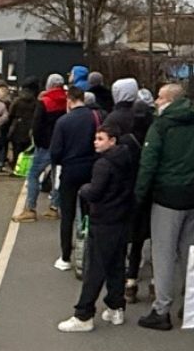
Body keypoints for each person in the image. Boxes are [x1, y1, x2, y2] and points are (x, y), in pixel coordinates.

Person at [134, 83, 194, 330]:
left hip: (166, 197)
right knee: (189, 253)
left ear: (170, 101)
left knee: (164, 255)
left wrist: (139, 196)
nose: (156, 101)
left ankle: (161, 309)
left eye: (160, 97)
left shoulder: (161, 126)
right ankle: (190, 304)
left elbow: (148, 163)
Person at [59, 120, 138, 331]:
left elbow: (95, 192)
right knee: (116, 265)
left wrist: (84, 189)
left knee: (95, 268)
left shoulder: (103, 164)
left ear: (112, 141)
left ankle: (83, 314)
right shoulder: (127, 159)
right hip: (121, 219)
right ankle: (115, 307)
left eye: (100, 139)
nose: (95, 142)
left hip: (103, 219)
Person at [105, 77, 153, 299]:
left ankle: (124, 278)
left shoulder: (113, 119)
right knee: (143, 234)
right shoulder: (148, 120)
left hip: (122, 185)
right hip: (147, 184)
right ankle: (141, 277)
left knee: (123, 232)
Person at [47, 80, 103, 270]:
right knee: (90, 211)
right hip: (92, 169)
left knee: (67, 214)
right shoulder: (96, 117)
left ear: (69, 100)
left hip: (70, 170)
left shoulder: (63, 121)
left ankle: (65, 257)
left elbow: (55, 152)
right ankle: (90, 251)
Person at [16, 74, 69, 223]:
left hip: (46, 145)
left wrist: (38, 143)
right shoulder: (67, 100)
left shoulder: (45, 101)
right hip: (63, 145)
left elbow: (37, 125)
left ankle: (30, 209)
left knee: (33, 175)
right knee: (57, 177)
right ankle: (54, 208)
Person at [7, 79, 39, 174]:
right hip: (29, 127)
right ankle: (25, 168)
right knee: (27, 149)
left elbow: (10, 114)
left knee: (16, 149)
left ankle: (15, 168)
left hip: (17, 127)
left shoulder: (17, 101)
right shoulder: (35, 102)